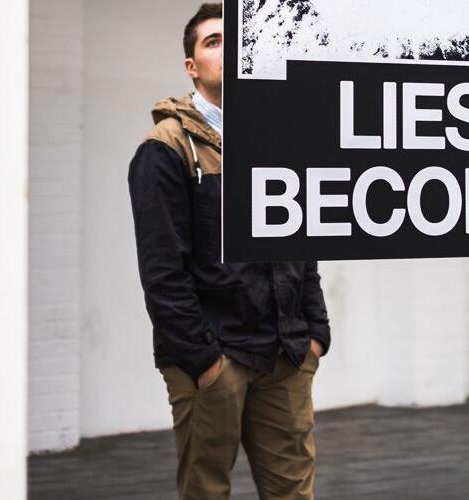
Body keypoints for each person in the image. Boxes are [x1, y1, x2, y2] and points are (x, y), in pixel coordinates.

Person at [127, 4, 331, 499]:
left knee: (293, 492)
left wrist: (315, 331)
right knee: (206, 491)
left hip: (285, 353)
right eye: (214, 41)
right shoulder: (167, 148)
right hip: (215, 358)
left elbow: (303, 242)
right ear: (191, 66)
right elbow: (161, 272)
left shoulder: (280, 139)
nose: (229, 49)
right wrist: (202, 359)